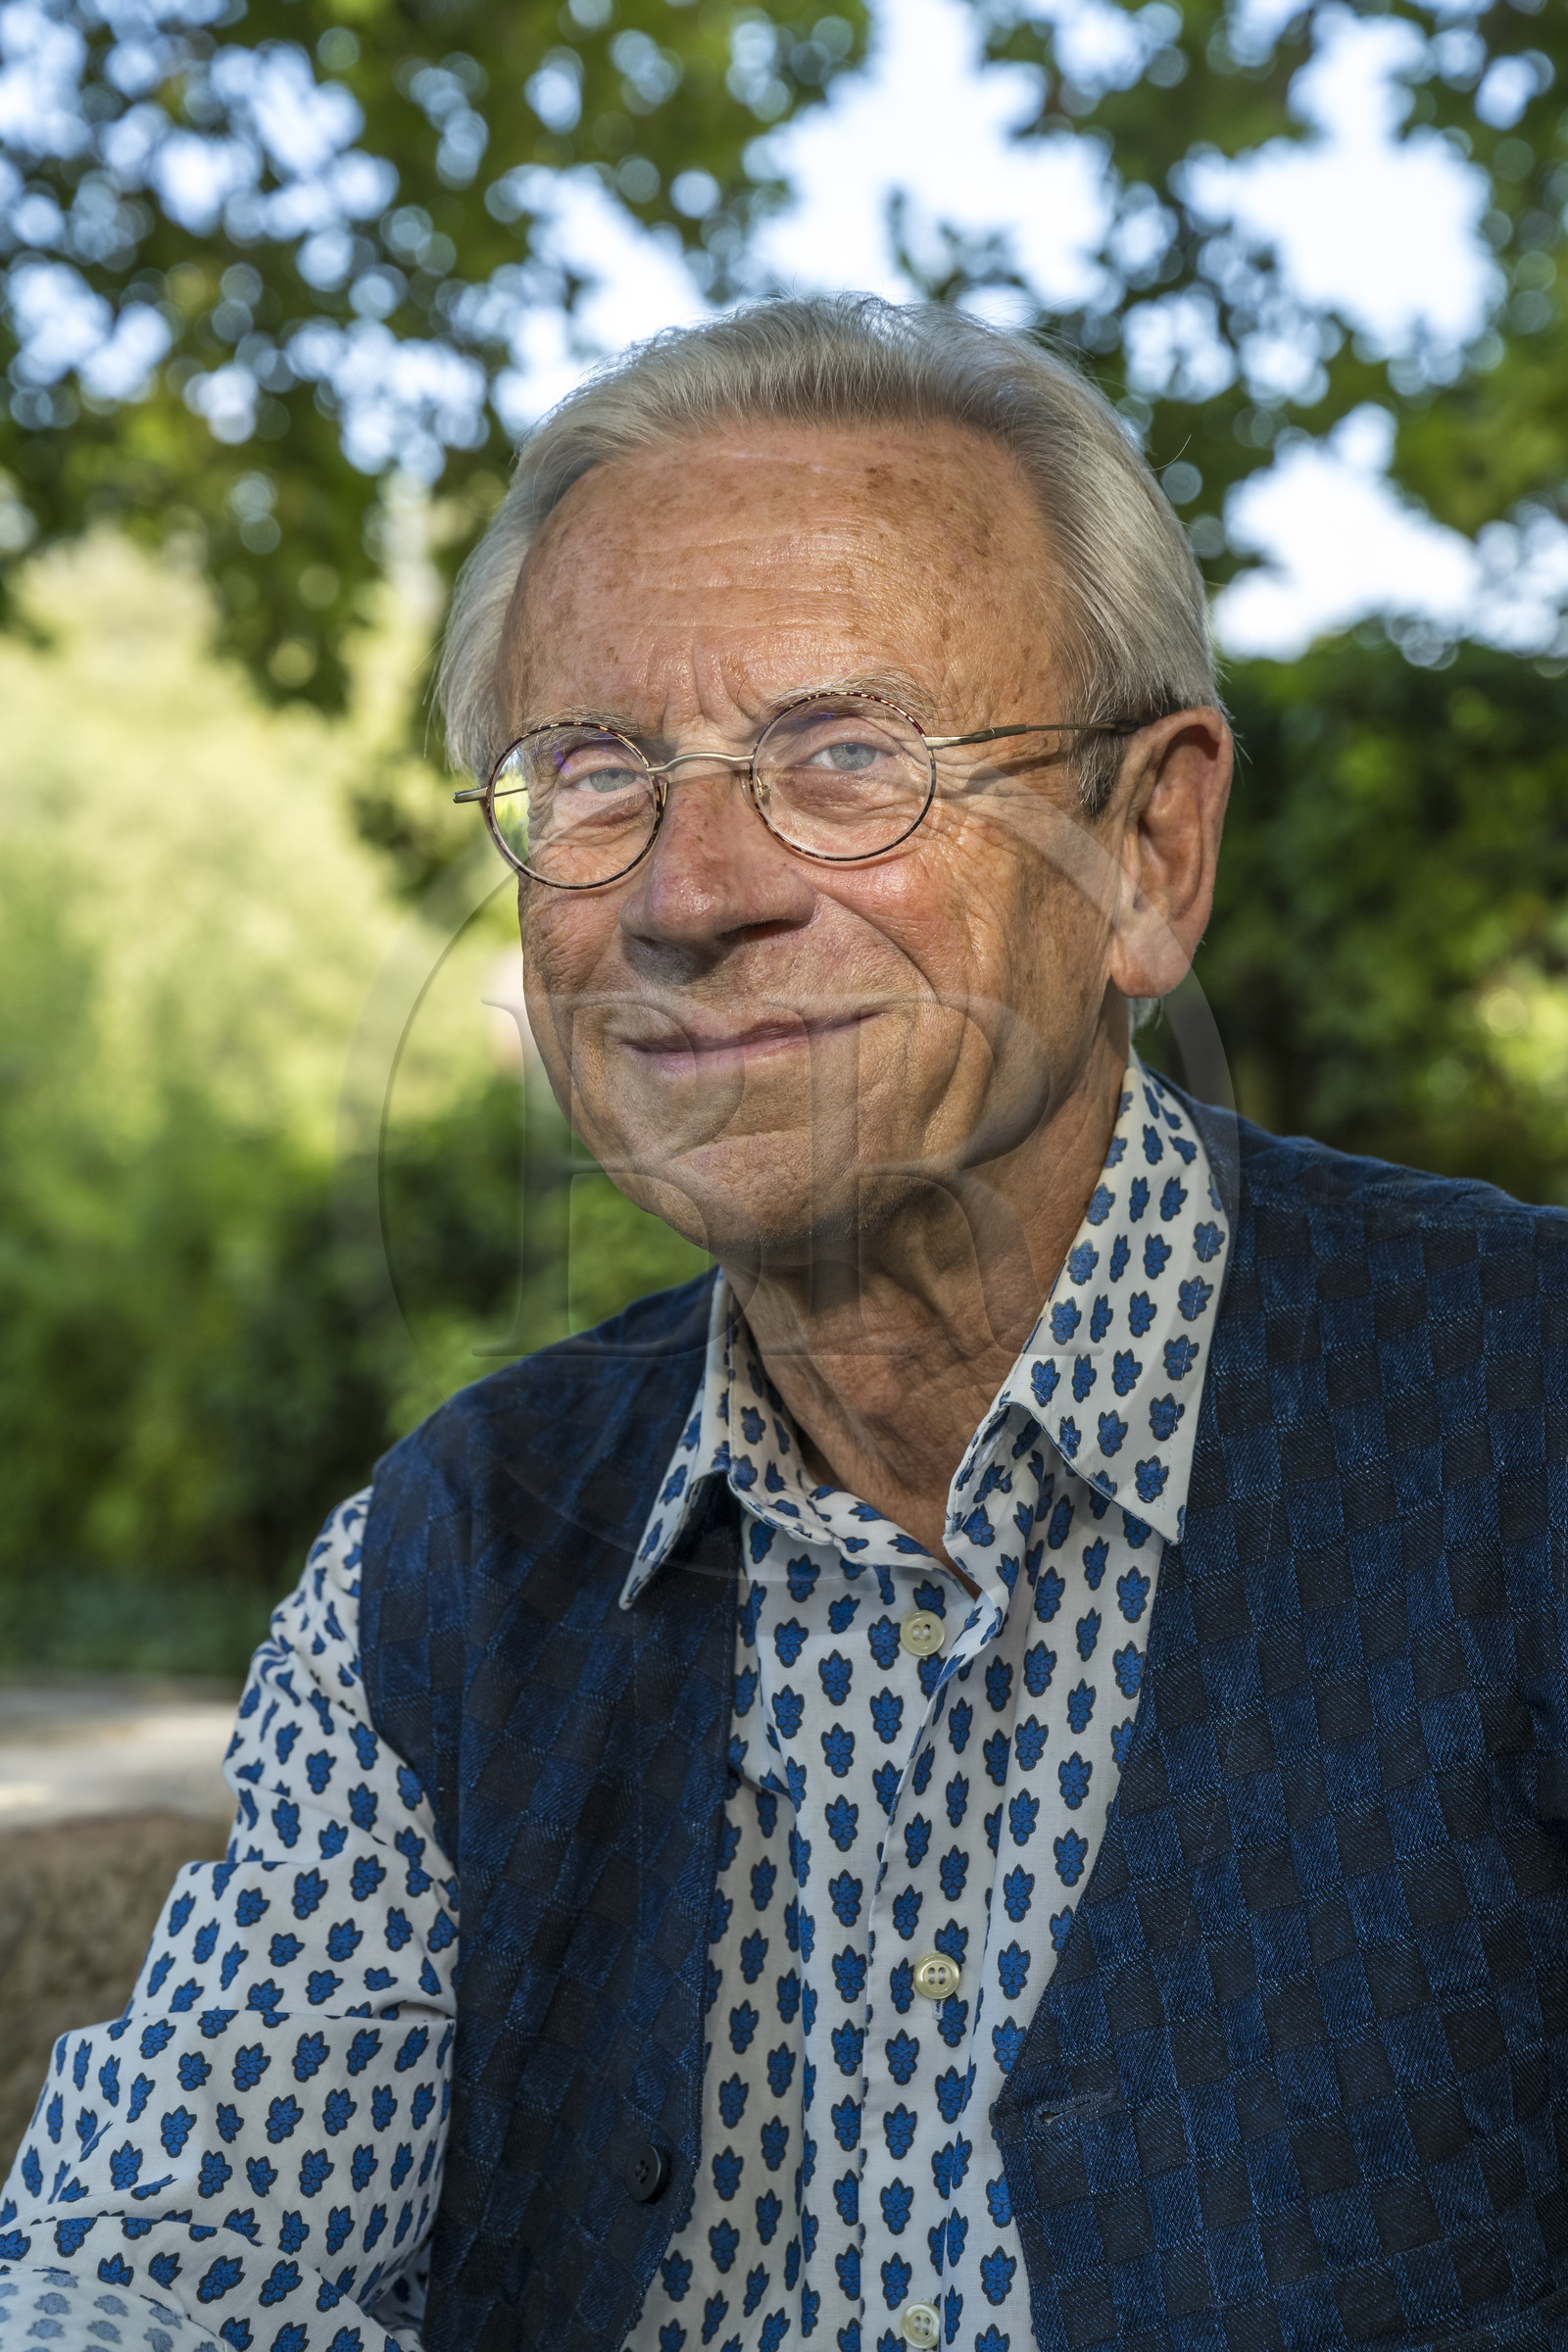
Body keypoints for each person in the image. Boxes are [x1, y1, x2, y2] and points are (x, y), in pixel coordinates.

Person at [3, 294, 1565, 2352]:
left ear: (1147, 853)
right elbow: (141, 2283)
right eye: (592, 774)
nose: (687, 894)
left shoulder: (1528, 1423)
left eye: (846, 759)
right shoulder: (445, 1565)